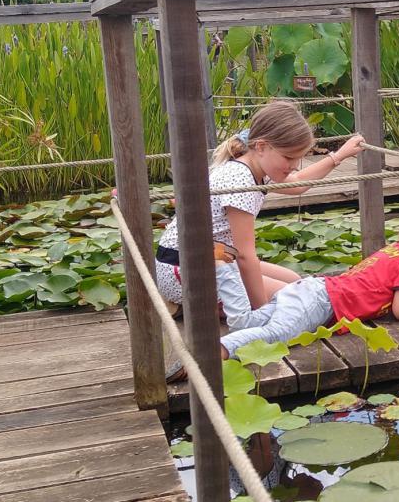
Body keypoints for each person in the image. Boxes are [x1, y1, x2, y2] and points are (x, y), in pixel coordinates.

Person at [156, 100, 365, 336]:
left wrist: (340, 156)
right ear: (262, 146)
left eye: (298, 158)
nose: (294, 166)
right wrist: (262, 311)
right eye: (289, 158)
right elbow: (245, 255)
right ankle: (197, 304)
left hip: (212, 259)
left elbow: (297, 185)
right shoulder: (240, 179)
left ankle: (200, 305)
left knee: (294, 281)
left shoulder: (255, 167)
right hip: (184, 269)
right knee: (290, 302)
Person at [217, 205, 399, 360]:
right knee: (277, 334)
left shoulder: (396, 249)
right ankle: (216, 352)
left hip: (311, 290)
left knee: (245, 324)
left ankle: (225, 269)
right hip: (321, 302)